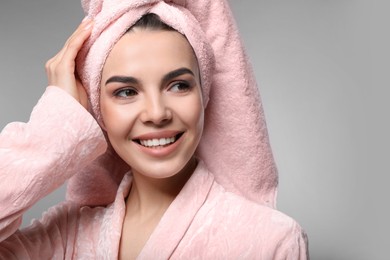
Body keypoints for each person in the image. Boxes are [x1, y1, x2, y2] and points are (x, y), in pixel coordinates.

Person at [0, 0, 309, 259]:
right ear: (97, 111)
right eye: (126, 92)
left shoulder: (269, 241)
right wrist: (50, 134)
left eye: (178, 85)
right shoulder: (64, 238)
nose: (157, 113)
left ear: (205, 95)